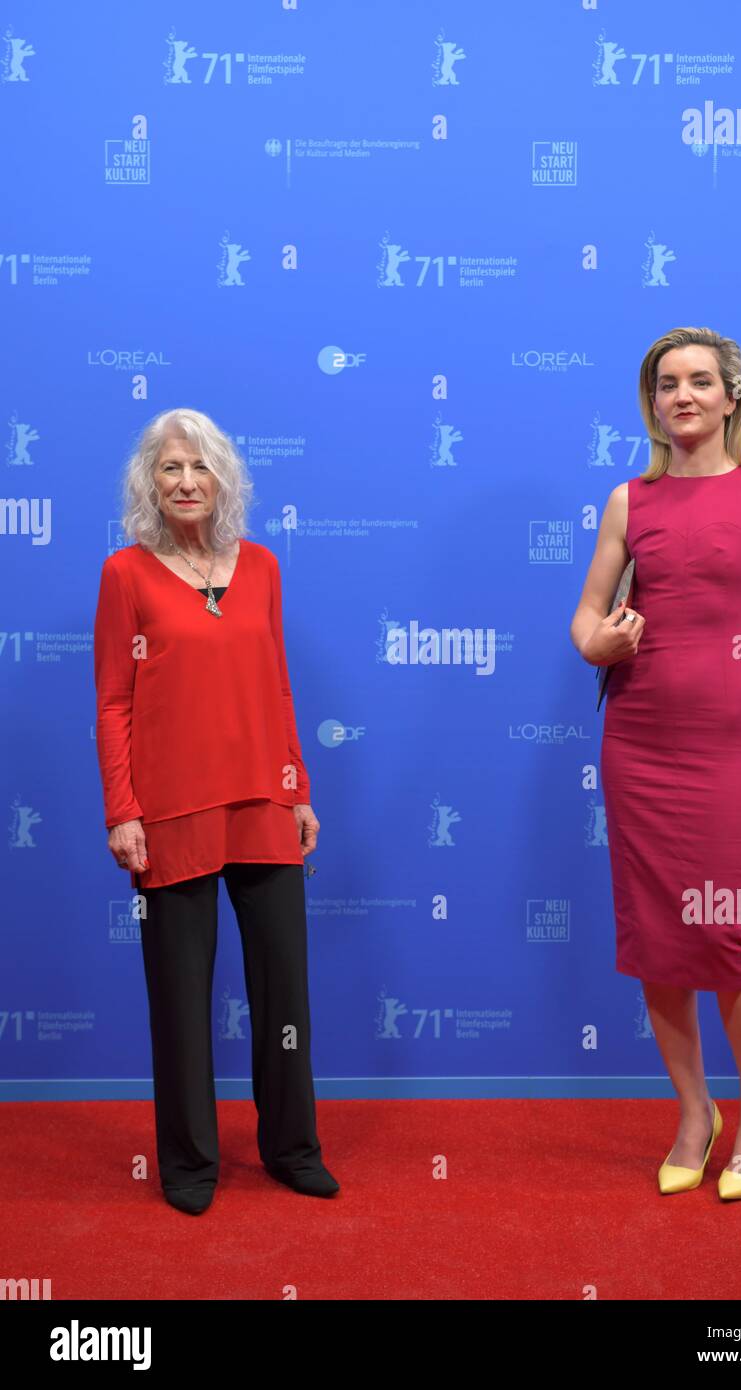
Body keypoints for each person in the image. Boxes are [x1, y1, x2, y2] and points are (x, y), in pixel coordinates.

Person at [570, 328, 741, 1200]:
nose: (684, 396)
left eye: (701, 381)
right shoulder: (629, 501)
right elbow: (587, 621)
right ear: (653, 404)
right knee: (660, 940)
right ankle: (692, 1112)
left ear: (732, 396)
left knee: (726, 934)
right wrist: (603, 641)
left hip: (725, 750)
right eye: (668, 384)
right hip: (638, 746)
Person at [93, 406, 338, 1215]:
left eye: (200, 467)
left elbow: (276, 684)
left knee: (284, 995)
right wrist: (122, 811)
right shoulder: (125, 575)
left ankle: (293, 1147)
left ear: (224, 479)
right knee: (181, 997)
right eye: (170, 468)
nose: (187, 481)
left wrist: (296, 788)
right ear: (150, 485)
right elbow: (113, 705)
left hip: (263, 800)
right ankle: (190, 1164)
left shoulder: (263, 568)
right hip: (168, 814)